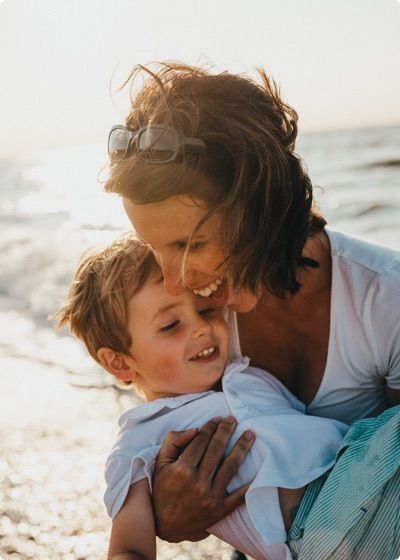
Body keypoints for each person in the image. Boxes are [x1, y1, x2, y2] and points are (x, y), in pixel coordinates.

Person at [103, 62, 400, 551]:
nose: (174, 278)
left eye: (191, 245)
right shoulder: (193, 320)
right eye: (153, 247)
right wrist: (171, 517)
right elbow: (171, 436)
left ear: (260, 211)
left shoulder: (381, 297)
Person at [56, 235, 400, 560]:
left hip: (359, 480)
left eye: (206, 310)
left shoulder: (246, 374)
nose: (202, 327)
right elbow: (129, 549)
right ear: (118, 361)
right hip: (317, 524)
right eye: (171, 325)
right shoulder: (140, 440)